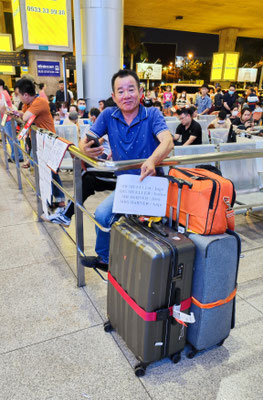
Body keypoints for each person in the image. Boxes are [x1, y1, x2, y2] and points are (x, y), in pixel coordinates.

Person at [77, 69, 173, 270]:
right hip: (126, 185)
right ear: (113, 96)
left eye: (131, 89)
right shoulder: (108, 116)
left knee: (149, 230)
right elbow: (83, 141)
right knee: (102, 216)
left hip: (152, 184)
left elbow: (168, 142)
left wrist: (152, 160)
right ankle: (105, 259)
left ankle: (150, 269)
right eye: (120, 91)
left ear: (140, 91)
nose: (126, 95)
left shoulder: (152, 114)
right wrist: (84, 147)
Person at [15, 78, 66, 208]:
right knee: (46, 172)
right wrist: (18, 112)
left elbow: (26, 117)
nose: (19, 98)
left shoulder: (40, 101)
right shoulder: (29, 104)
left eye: (19, 95)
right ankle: (54, 199)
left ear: (26, 94)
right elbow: (24, 114)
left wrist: (20, 114)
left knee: (50, 172)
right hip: (40, 142)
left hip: (49, 142)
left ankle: (58, 199)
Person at [0, 79, 24, 162]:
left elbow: (2, 107)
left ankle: (18, 156)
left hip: (8, 118)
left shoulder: (3, 93)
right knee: (11, 138)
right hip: (6, 118)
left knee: (12, 138)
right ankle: (15, 155)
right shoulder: (3, 93)